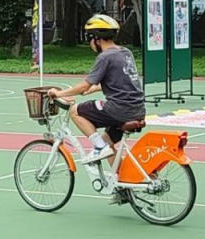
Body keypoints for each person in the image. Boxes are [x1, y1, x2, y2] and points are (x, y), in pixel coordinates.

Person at [47, 14, 146, 196]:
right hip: (137, 109)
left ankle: (98, 148)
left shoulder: (104, 57)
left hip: (119, 109)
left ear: (96, 39)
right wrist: (90, 91)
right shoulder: (125, 53)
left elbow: (84, 84)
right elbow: (115, 82)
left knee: (76, 111)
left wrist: (59, 93)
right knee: (108, 141)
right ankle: (124, 184)